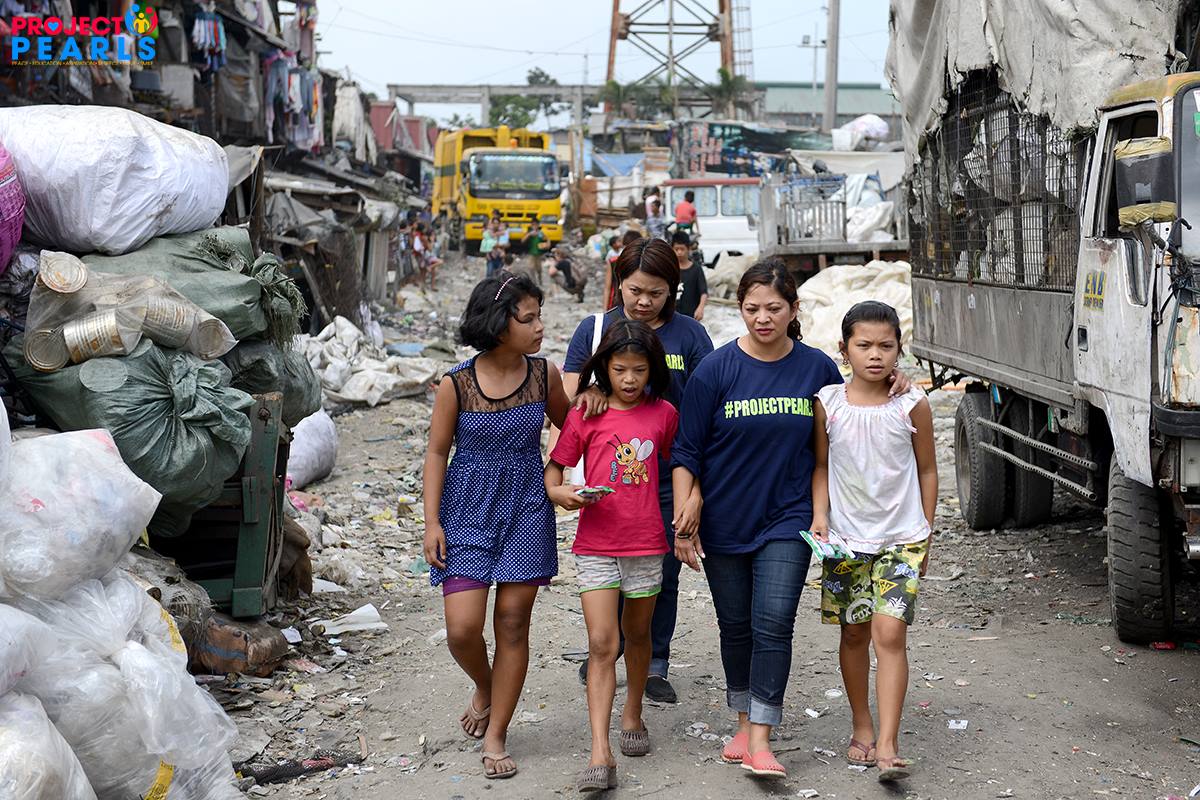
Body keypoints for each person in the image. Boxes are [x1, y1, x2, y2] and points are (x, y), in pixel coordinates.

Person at [671, 260, 911, 781]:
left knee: (774, 620)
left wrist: (896, 379)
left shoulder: (816, 369)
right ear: (740, 309)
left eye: (774, 308)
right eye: (752, 308)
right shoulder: (715, 370)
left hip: (790, 517)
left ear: (794, 309)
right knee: (736, 626)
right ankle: (743, 720)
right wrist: (685, 513)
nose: (763, 318)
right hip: (725, 518)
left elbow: (853, 406)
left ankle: (761, 736)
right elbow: (687, 450)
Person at [422, 271, 571, 781]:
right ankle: (485, 685)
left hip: (527, 507)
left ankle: (497, 734)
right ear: (498, 324)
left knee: (511, 622)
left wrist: (559, 475)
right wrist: (431, 522)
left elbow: (573, 428)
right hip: (466, 509)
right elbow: (437, 453)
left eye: (539, 316)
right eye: (528, 319)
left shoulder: (545, 375)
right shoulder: (456, 383)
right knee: (462, 629)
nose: (539, 327)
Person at [557, 238, 713, 704]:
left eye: (656, 293)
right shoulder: (595, 329)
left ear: (674, 290)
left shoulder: (691, 336)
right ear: (619, 283)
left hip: (671, 474)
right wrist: (590, 392)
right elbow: (569, 398)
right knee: (610, 566)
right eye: (635, 290)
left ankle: (655, 662)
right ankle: (610, 647)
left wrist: (696, 487)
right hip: (612, 478)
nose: (644, 302)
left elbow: (705, 405)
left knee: (663, 574)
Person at [546, 320, 679, 793]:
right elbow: (555, 470)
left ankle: (633, 710)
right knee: (603, 643)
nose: (629, 379)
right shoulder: (586, 412)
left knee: (638, 634)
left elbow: (676, 466)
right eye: (619, 369)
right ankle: (600, 751)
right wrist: (562, 494)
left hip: (646, 543)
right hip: (596, 544)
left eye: (639, 370)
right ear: (605, 367)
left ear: (652, 370)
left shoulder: (664, 414)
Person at [810, 301, 936, 784]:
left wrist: (927, 534)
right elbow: (821, 465)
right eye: (864, 345)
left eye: (886, 345)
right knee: (854, 634)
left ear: (900, 349)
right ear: (844, 350)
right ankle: (862, 724)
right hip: (844, 542)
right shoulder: (829, 403)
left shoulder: (912, 403)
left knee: (890, 634)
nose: (876, 355)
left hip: (902, 539)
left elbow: (928, 470)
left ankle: (887, 743)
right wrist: (820, 515)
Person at [603, 230, 643, 311]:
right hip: (618, 304)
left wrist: (605, 310)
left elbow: (607, 288)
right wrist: (605, 310)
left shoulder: (613, 261)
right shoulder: (613, 261)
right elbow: (607, 287)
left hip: (618, 303)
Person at [672, 231, 707, 321]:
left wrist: (700, 308)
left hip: (691, 315)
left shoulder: (696, 269)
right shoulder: (670, 268)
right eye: (676, 249)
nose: (679, 252)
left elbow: (703, 292)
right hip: (672, 315)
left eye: (682, 249)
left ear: (688, 249)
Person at [414, 222, 443, 290]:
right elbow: (430, 249)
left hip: (429, 256)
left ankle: (430, 286)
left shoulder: (421, 236)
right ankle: (422, 284)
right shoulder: (425, 238)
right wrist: (432, 241)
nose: (434, 236)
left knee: (432, 272)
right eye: (432, 235)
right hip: (427, 257)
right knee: (424, 272)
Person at [524, 216, 549, 286]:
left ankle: (540, 280)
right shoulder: (529, 233)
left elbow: (546, 240)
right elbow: (522, 240)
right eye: (533, 225)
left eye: (536, 224)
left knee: (539, 269)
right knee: (531, 268)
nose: (534, 226)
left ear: (538, 225)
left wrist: (546, 245)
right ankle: (534, 282)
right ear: (531, 225)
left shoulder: (540, 233)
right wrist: (529, 235)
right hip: (531, 253)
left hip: (539, 254)